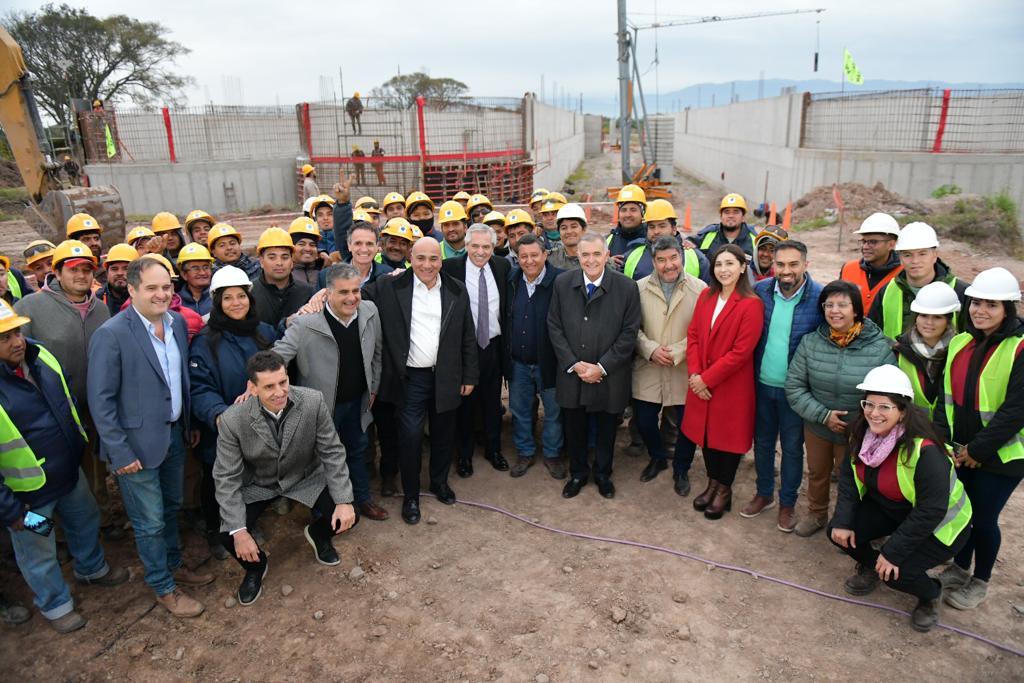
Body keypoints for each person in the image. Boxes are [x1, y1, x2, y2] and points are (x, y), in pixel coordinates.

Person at [88, 257, 214, 618]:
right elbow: (101, 401)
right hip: (135, 449)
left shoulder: (174, 324)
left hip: (173, 435)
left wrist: (187, 422)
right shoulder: (112, 335)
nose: (161, 295)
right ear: (131, 290)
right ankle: (163, 586)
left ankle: (174, 565)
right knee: (149, 521)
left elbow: (179, 382)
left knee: (172, 506)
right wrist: (120, 451)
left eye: (166, 287)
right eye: (151, 288)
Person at [0, 300, 129, 633]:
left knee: (85, 519)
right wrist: (10, 509)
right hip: (28, 495)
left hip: (69, 473)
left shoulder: (40, 357)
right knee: (38, 548)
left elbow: (66, 403)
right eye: (4, 338)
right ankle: (55, 604)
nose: (16, 341)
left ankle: (90, 568)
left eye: (16, 331)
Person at [830, 365, 972, 632]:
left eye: (885, 407)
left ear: (903, 411)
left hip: (943, 525)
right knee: (837, 532)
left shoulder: (925, 451)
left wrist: (893, 552)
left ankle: (930, 594)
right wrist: (843, 520)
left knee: (898, 573)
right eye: (869, 404)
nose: (874, 413)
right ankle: (873, 566)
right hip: (895, 509)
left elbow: (931, 511)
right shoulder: (862, 433)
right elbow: (849, 479)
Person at [214, 351, 358, 605]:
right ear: (253, 387)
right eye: (269, 386)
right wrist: (239, 531)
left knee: (347, 513)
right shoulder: (231, 420)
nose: (280, 392)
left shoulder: (313, 401)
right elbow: (226, 477)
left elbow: (332, 451)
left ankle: (319, 534)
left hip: (304, 478)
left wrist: (344, 500)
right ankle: (256, 568)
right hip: (258, 484)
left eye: (283, 382)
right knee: (229, 534)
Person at [362, 238, 478, 525]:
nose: (427, 265)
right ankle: (411, 496)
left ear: (441, 260)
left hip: (446, 376)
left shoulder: (455, 289)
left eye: (433, 259)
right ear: (410, 259)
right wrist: (321, 294)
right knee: (410, 437)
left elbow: (467, 335)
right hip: (410, 378)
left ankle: (439, 482)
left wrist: (469, 375)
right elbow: (354, 291)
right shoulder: (390, 287)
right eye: (421, 258)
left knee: (442, 434)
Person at [933, 266, 1024, 611]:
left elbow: (1015, 411)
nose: (980, 311)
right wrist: (945, 443)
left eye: (992, 305)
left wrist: (978, 450)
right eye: (975, 303)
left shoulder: (1020, 349)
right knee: (963, 513)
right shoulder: (960, 342)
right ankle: (959, 567)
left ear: (1008, 309)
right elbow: (944, 399)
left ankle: (980, 580)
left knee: (984, 518)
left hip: (1003, 457)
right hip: (961, 452)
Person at [15, 241, 114, 536]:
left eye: (87, 269)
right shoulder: (30, 307)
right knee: (57, 475)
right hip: (50, 412)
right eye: (73, 269)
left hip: (94, 406)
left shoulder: (101, 309)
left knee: (96, 468)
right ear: (57, 272)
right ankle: (56, 535)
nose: (81, 275)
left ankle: (102, 521)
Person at [274, 263, 387, 521]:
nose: (351, 298)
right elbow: (278, 356)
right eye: (343, 292)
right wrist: (257, 380)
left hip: (357, 401)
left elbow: (377, 354)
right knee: (321, 462)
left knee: (357, 451)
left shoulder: (369, 311)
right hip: (322, 407)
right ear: (327, 293)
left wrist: (374, 387)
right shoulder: (305, 324)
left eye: (356, 291)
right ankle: (324, 516)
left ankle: (362, 499)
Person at [786, 279, 896, 537]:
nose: (835, 311)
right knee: (817, 472)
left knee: (856, 480)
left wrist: (865, 422)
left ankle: (850, 522)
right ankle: (816, 513)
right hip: (818, 426)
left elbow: (890, 394)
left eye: (842, 305)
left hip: (861, 430)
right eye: (829, 305)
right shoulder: (811, 342)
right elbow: (794, 386)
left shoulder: (879, 347)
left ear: (856, 309)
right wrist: (823, 415)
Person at [189, 265, 277, 558]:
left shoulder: (264, 333)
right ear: (217, 302)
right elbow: (200, 388)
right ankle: (219, 531)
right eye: (228, 298)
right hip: (223, 427)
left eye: (241, 296)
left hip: (261, 423)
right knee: (219, 479)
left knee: (250, 476)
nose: (236, 303)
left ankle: (245, 524)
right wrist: (220, 415)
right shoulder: (205, 341)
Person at [548, 232, 642, 500]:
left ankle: (603, 474)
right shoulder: (563, 284)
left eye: (596, 254)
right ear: (578, 256)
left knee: (606, 428)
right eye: (585, 254)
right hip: (573, 373)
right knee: (574, 426)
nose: (591, 260)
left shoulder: (626, 287)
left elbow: (629, 333)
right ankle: (577, 473)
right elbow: (554, 326)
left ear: (607, 255)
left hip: (609, 376)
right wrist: (574, 364)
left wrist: (601, 367)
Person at [742, 241, 823, 531]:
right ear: (773, 264)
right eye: (781, 264)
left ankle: (787, 502)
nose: (786, 271)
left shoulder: (819, 297)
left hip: (796, 392)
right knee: (762, 444)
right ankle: (764, 493)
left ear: (805, 265)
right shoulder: (761, 291)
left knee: (791, 448)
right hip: (762, 386)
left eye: (793, 264)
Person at [684, 244, 764, 519]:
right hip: (701, 382)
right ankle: (712, 483)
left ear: (742, 267)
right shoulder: (706, 295)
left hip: (730, 386)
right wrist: (695, 375)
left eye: (730, 264)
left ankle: (725, 489)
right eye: (719, 264)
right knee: (706, 436)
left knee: (726, 439)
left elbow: (741, 352)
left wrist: (706, 379)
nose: (724, 270)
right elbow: (693, 334)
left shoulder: (751, 304)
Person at [633, 236, 707, 496]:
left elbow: (702, 331)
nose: (668, 265)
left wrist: (677, 351)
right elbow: (631, 329)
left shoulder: (700, 290)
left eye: (673, 258)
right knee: (644, 419)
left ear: (681, 257)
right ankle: (658, 457)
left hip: (683, 368)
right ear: (653, 261)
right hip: (648, 365)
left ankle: (681, 468)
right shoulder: (638, 289)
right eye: (661, 260)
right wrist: (649, 349)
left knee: (686, 425)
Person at [443, 224, 511, 477]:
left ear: (493, 248)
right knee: (465, 405)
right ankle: (464, 455)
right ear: (466, 246)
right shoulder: (451, 268)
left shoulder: (502, 267)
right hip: (464, 348)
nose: (480, 252)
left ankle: (494, 450)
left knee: (492, 402)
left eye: (486, 247)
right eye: (475, 246)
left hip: (493, 345)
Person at [506, 234, 566, 479]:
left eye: (534, 255)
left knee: (553, 412)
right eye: (523, 256)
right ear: (517, 258)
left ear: (545, 255)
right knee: (519, 410)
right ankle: (525, 452)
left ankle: (552, 455)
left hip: (550, 363)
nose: (529, 261)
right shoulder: (512, 280)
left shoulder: (560, 281)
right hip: (519, 362)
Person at [869, 222, 967, 340]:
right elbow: (872, 336)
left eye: (922, 254)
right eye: (907, 255)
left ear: (935, 255)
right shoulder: (886, 292)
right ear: (900, 257)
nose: (915, 261)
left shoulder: (961, 292)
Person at [893, 282, 961, 416]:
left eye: (937, 317)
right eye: (924, 315)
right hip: (912, 431)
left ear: (948, 320)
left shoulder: (961, 352)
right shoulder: (898, 352)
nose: (929, 323)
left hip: (949, 433)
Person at [620, 199, 708, 282]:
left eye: (662, 226)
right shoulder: (631, 257)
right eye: (652, 227)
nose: (656, 231)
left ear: (674, 229)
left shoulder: (695, 258)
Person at [250, 227, 314, 329]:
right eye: (272, 257)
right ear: (261, 261)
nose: (279, 263)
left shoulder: (307, 292)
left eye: (285, 257)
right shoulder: (249, 293)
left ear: (292, 261)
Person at [839, 213, 903, 312]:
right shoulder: (849, 268)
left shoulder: (904, 274)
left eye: (873, 242)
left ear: (891, 244)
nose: (865, 247)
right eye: (864, 241)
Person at [688, 193, 758, 260]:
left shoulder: (754, 240)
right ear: (721, 216)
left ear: (743, 217)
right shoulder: (708, 235)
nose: (731, 216)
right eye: (727, 212)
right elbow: (687, 244)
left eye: (736, 212)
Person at [605, 184, 648, 269]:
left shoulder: (652, 240)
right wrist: (606, 262)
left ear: (642, 213)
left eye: (633, 210)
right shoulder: (607, 241)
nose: (628, 215)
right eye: (624, 210)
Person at [97, 244, 138, 316]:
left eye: (126, 268)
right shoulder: (96, 300)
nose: (120, 273)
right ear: (107, 272)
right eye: (114, 269)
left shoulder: (145, 299)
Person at [176, 243, 214, 317]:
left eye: (206, 267)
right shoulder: (177, 301)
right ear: (184, 274)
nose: (202, 273)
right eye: (195, 268)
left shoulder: (219, 296)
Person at [547, 204, 585, 271]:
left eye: (574, 227)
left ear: (584, 229)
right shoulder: (550, 259)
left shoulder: (597, 257)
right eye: (564, 228)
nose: (569, 231)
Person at [288, 217, 323, 288]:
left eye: (312, 245)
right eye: (301, 244)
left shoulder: (324, 271)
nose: (308, 249)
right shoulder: (284, 274)